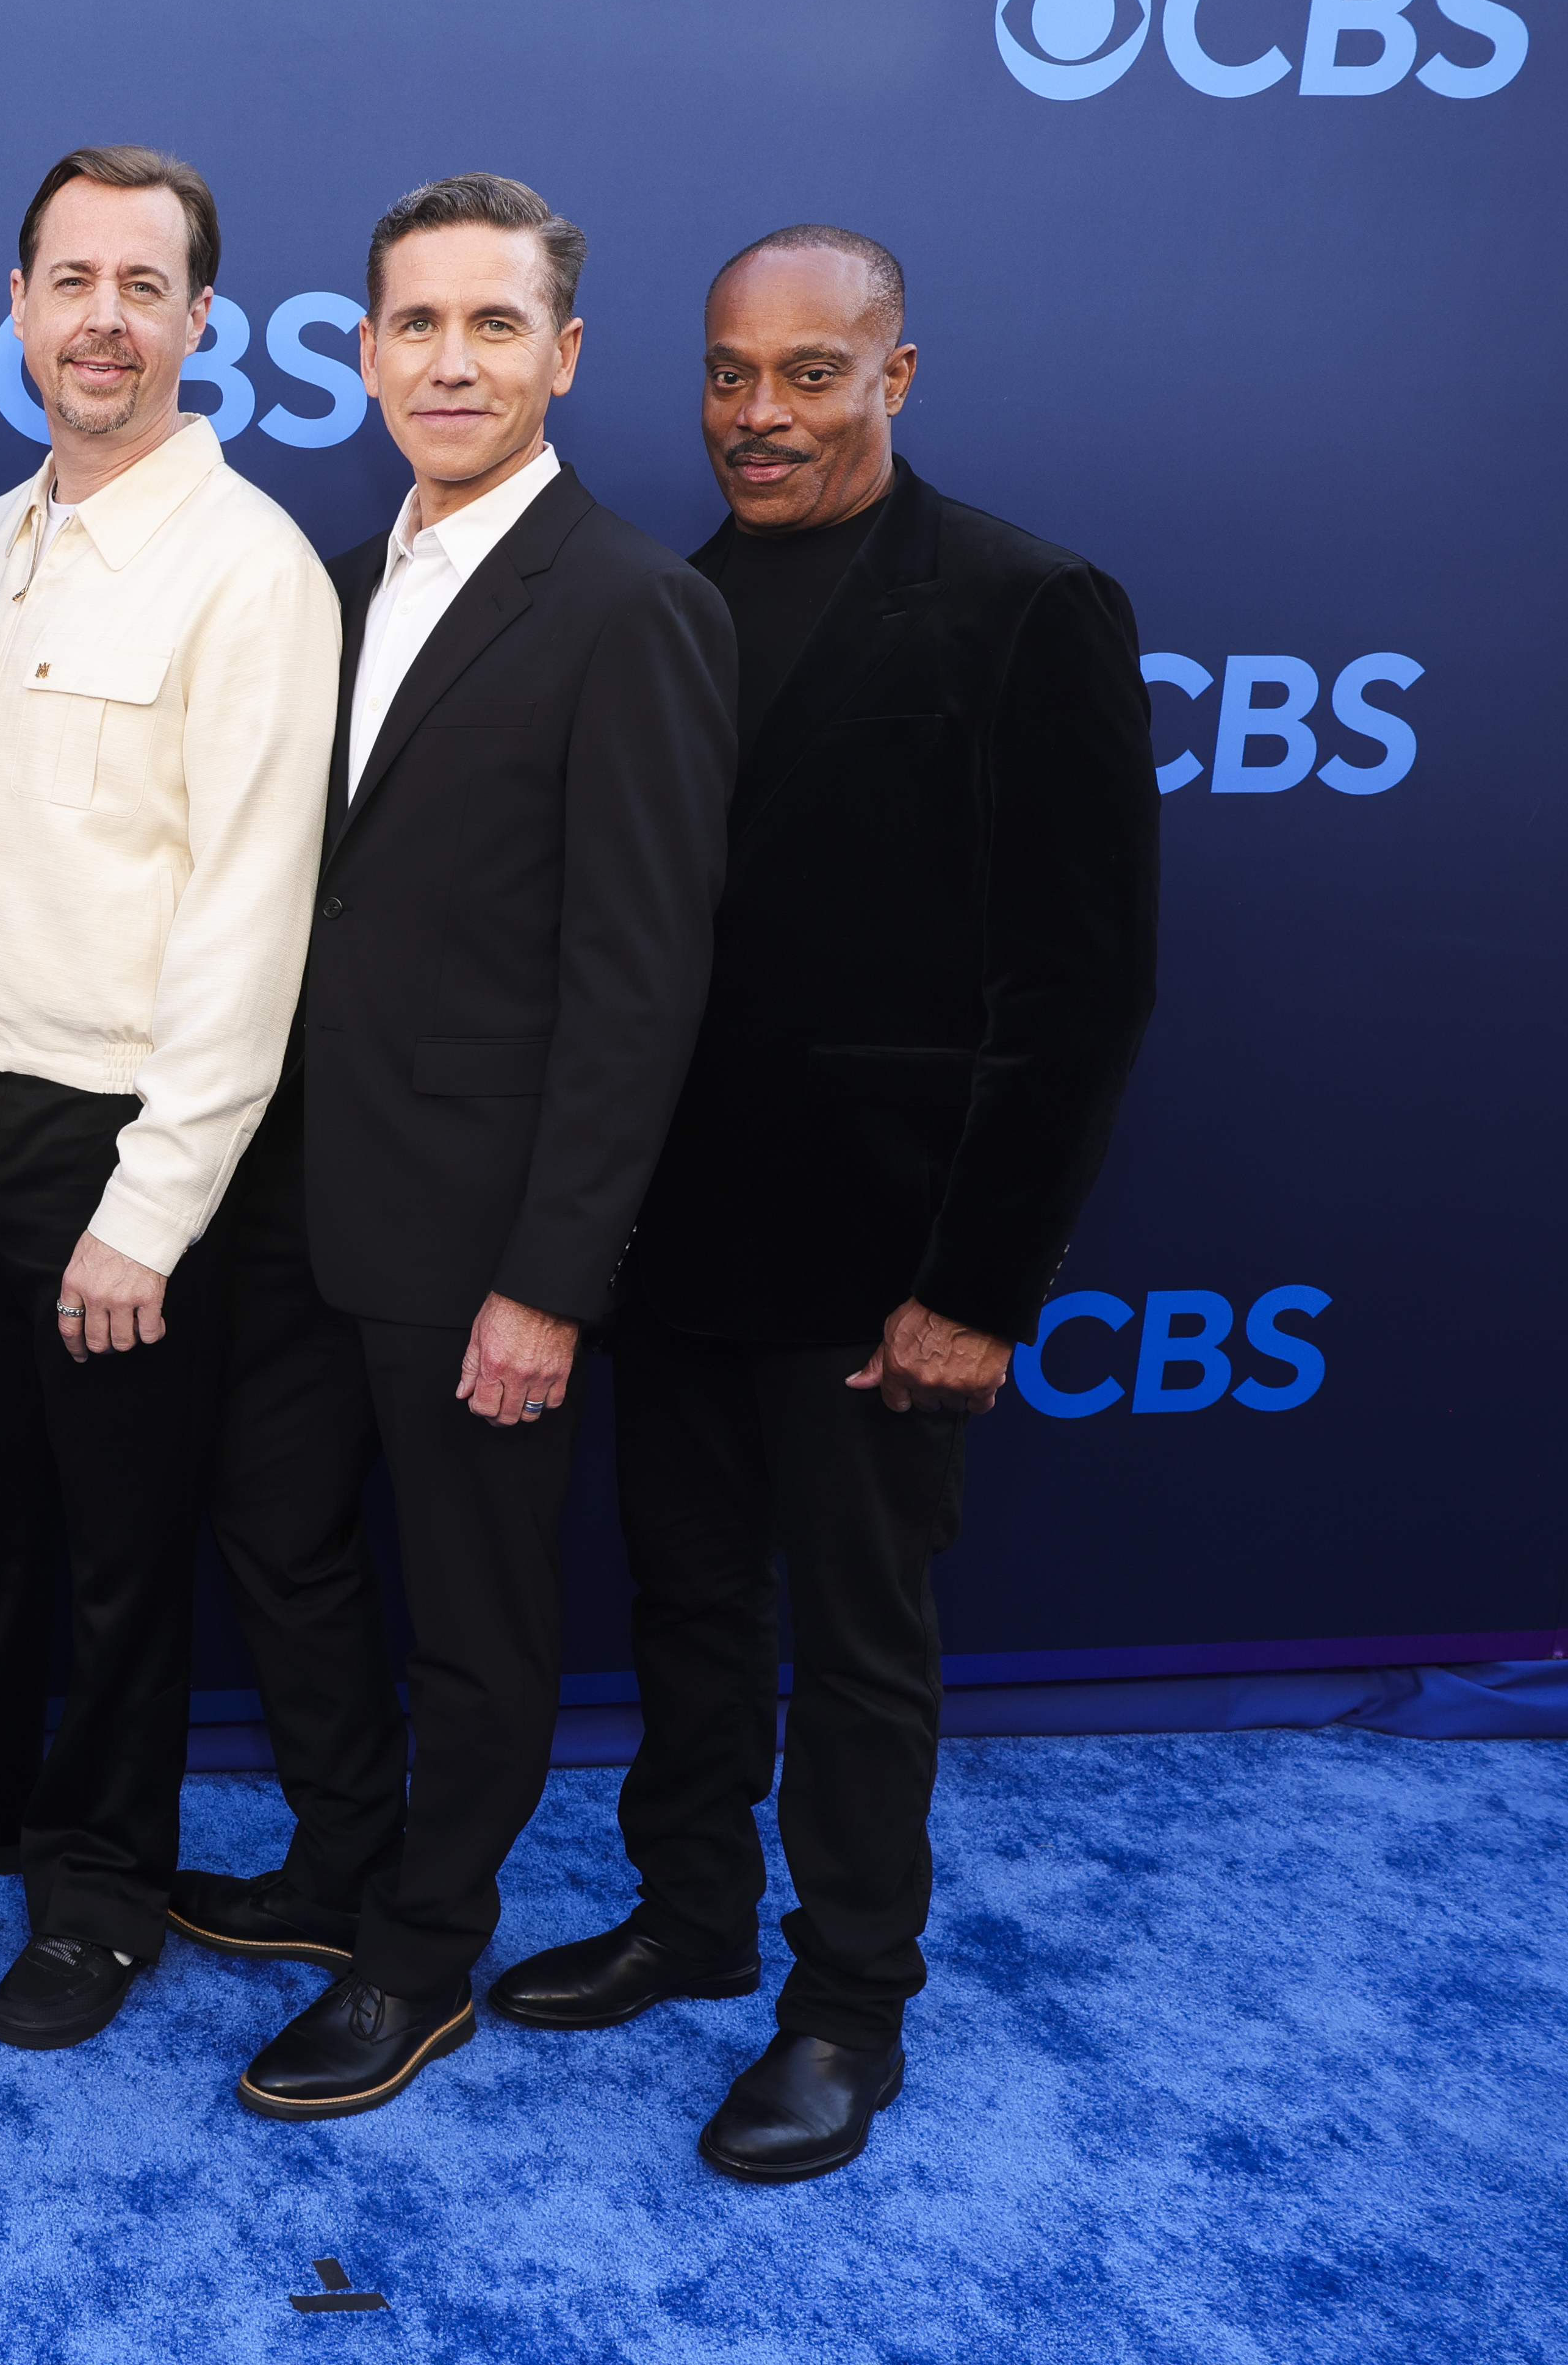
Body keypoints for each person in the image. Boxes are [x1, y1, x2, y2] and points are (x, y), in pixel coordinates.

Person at [485, 226, 1159, 2182]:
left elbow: (1082, 987)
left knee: (861, 1645)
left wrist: (979, 1286)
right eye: (726, 375)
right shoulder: (672, 602)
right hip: (680, 1240)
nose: (758, 416)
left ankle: (850, 2003)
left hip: (885, 1267)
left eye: (807, 375)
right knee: (689, 1603)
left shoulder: (1027, 606)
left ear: (897, 375)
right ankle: (689, 1912)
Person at [179, 173, 734, 2123]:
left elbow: (641, 985)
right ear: (361, 354)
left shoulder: (638, 608)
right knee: (274, 1527)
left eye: (495, 326)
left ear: (566, 356)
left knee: (484, 1621)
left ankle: (424, 1960)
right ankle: (344, 1868)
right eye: (417, 324)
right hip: (305, 1205)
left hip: (486, 1236)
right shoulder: (326, 584)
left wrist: (548, 1279)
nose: (452, 360)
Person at [0, 147, 340, 2056]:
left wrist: (153, 1205)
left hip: (121, 1142)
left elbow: (253, 918)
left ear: (203, 322)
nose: (104, 317)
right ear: (12, 307)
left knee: (121, 1548)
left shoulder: (249, 570)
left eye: (146, 285)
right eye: (70, 279)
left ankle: (100, 1886)